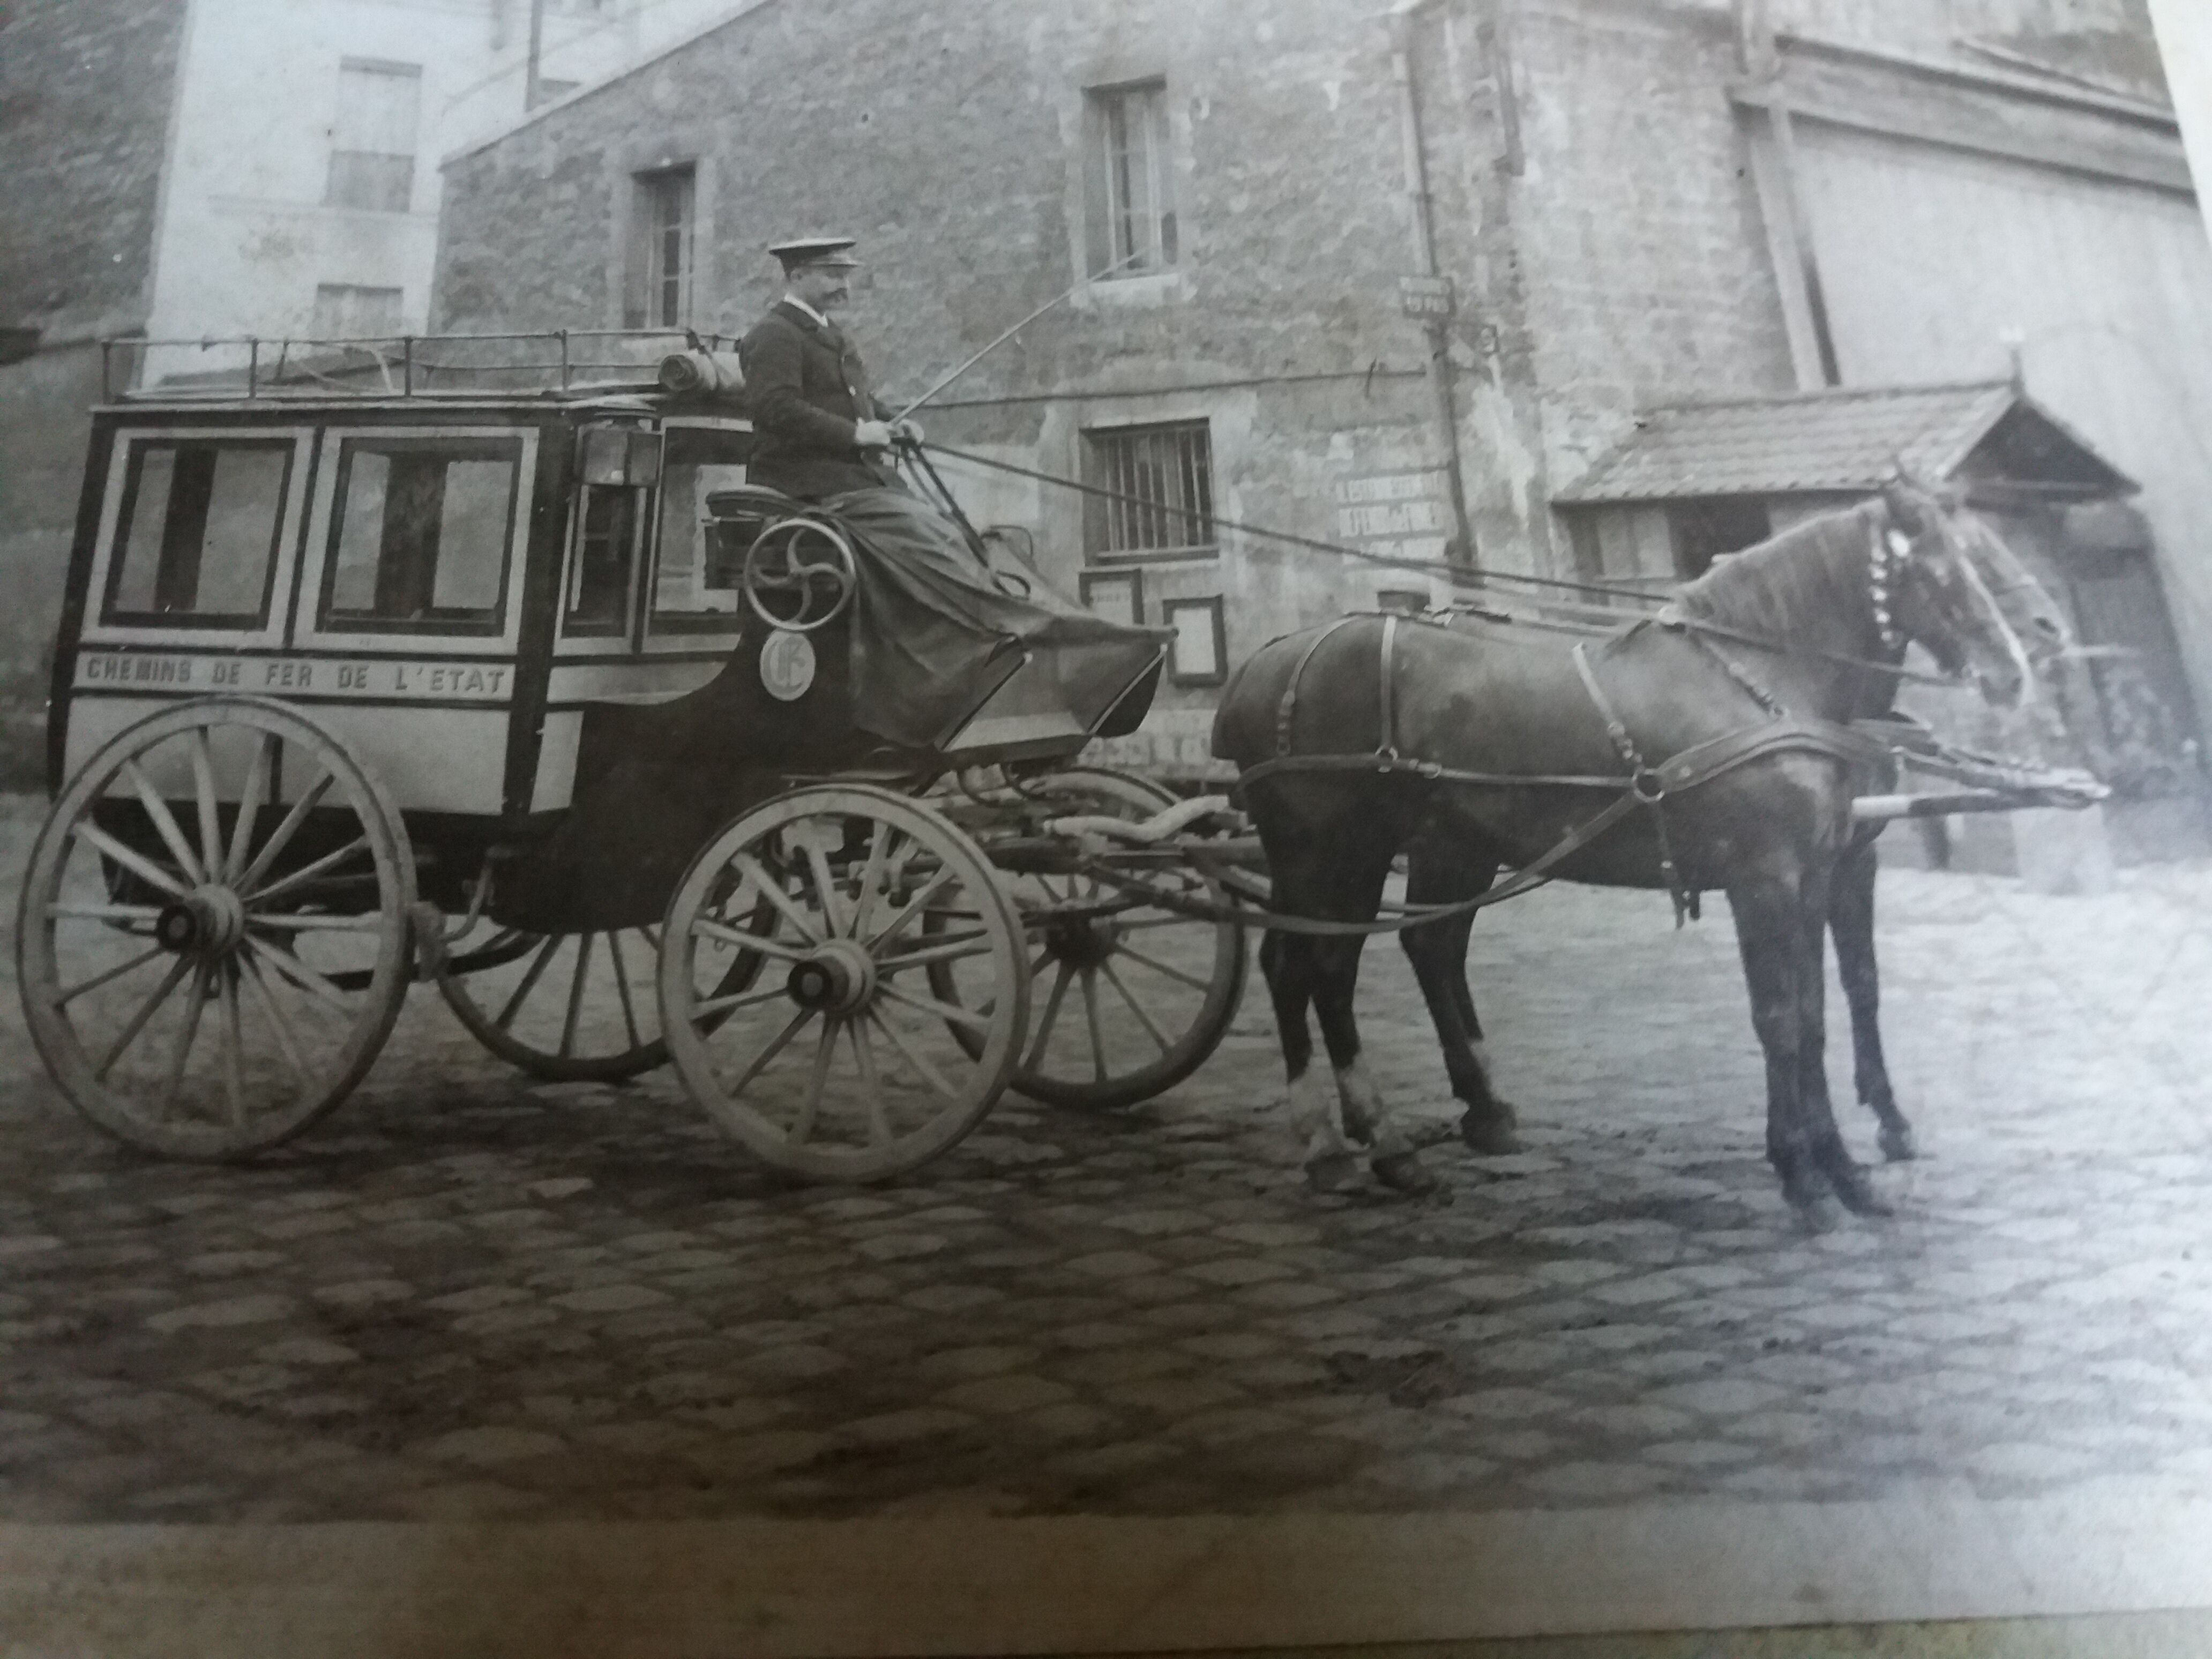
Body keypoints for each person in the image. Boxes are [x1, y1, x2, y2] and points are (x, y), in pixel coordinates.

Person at [739, 235, 926, 501]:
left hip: (848, 477)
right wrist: (855, 434)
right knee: (912, 523)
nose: (844, 286)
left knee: (933, 518)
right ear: (797, 277)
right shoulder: (775, 333)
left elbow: (851, 396)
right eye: (833, 276)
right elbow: (777, 407)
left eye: (846, 277)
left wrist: (893, 423)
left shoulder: (832, 332)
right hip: (801, 480)